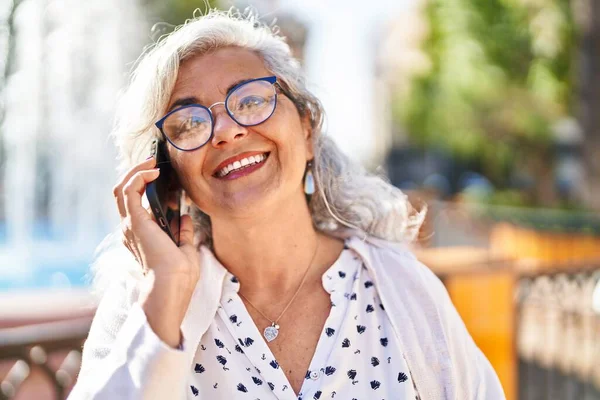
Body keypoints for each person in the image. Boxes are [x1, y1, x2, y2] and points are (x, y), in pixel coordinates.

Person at [69, 8, 505, 400]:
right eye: (188, 123)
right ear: (165, 175)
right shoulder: (146, 303)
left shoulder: (402, 287)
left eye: (252, 100)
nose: (226, 130)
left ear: (307, 129)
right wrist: (165, 295)